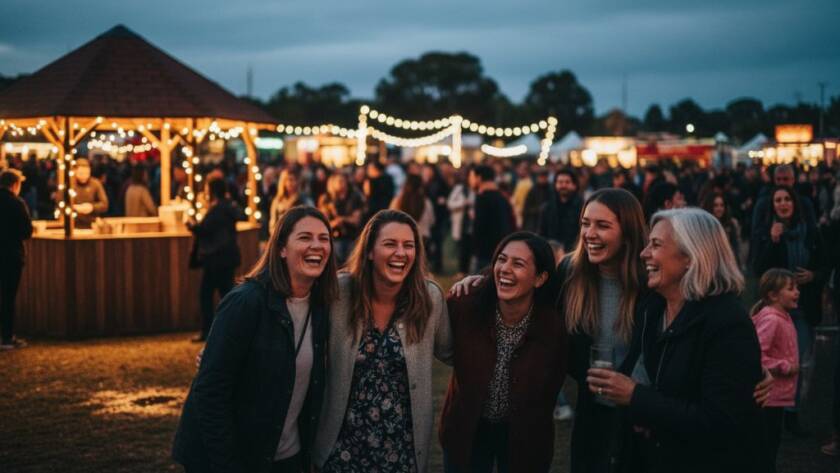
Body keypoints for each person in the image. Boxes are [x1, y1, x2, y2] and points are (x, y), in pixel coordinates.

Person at [450, 188, 651, 472]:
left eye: (602, 225)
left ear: (628, 230)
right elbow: (530, 276)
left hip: (641, 409)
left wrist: (642, 397)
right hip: (591, 406)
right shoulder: (572, 270)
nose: (589, 233)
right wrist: (482, 281)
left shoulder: (649, 279)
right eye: (585, 223)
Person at [588, 208, 768, 473]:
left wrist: (636, 397)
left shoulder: (727, 323)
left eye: (656, 244)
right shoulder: (653, 309)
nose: (644, 253)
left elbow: (719, 421)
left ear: (690, 257)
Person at [173, 206, 338, 473]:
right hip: (235, 457)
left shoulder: (323, 307)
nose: (316, 246)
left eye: (324, 238)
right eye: (305, 237)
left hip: (288, 457)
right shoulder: (246, 302)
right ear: (282, 248)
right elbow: (209, 393)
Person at [313, 210, 453, 473]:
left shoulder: (429, 298)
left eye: (408, 245)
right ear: (369, 252)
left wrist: (480, 288)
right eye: (390, 244)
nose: (401, 253)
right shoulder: (338, 294)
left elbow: (454, 352)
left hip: (402, 451)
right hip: (341, 450)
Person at [441, 231, 566, 472]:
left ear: (540, 279)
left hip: (524, 434)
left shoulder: (554, 327)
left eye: (518, 263)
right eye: (501, 259)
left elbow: (553, 385)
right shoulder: (464, 305)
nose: (505, 269)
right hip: (468, 429)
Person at [752, 185, 826, 436]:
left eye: (787, 199)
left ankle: (791, 413)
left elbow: (825, 264)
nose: (782, 204)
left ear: (795, 203)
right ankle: (773, 407)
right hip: (776, 307)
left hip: (802, 306)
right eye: (777, 200)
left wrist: (814, 276)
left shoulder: (811, 233)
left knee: (799, 359)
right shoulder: (767, 232)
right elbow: (758, 267)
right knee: (775, 357)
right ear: (772, 205)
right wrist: (773, 240)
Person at [750, 268, 800, 473]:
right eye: (791, 288)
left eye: (796, 287)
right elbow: (757, 356)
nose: (797, 292)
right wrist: (785, 366)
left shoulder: (784, 316)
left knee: (771, 445)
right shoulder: (772, 319)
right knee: (766, 448)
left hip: (777, 397)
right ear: (773, 295)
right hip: (769, 397)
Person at [188, 177, 242, 342]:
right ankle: (234, 330)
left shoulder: (217, 209)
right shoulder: (228, 207)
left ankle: (208, 331)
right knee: (227, 295)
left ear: (212, 191)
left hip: (215, 260)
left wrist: (191, 226)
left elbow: (205, 230)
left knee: (207, 295)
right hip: (226, 258)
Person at [0, 169, 33, 350]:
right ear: (15, 184)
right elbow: (27, 231)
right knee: (8, 297)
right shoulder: (16, 203)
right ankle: (6, 338)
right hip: (11, 255)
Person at [471, 165, 514, 270]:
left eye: (472, 177)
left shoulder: (482, 198)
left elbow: (479, 227)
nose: (470, 181)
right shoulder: (502, 198)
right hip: (501, 248)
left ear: (479, 178)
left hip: (484, 251)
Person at [317, 173, 364, 265]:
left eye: (343, 180)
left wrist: (342, 219)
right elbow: (322, 223)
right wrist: (335, 223)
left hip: (352, 236)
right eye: (339, 181)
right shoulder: (326, 199)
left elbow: (356, 220)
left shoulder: (354, 197)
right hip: (334, 238)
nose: (342, 183)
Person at [538, 168, 583, 252]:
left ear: (574, 185)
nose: (563, 185)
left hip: (574, 254)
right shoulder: (547, 208)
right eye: (560, 182)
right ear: (555, 185)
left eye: (567, 182)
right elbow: (542, 234)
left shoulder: (582, 208)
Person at [391, 173, 435, 243]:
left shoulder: (397, 201)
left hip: (401, 237)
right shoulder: (426, 202)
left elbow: (390, 219)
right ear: (420, 186)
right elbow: (432, 221)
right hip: (422, 238)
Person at [701, 191, 741, 267]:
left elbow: (735, 249)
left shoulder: (730, 225)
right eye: (715, 205)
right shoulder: (704, 226)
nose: (719, 208)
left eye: (722, 205)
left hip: (728, 265)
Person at [447, 173, 474, 277]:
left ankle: (467, 270)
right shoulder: (459, 189)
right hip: (461, 222)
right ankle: (461, 271)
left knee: (469, 247)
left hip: (471, 223)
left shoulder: (475, 190)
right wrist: (463, 203)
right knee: (462, 247)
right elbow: (450, 203)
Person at [69, 158, 109, 228]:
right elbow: (60, 203)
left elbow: (104, 204)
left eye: (87, 173)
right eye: (81, 173)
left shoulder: (95, 183)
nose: (84, 176)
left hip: (92, 223)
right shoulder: (70, 184)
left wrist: (92, 207)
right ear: (75, 171)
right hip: (73, 223)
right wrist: (74, 207)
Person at [521, 168, 551, 233]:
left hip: (546, 222)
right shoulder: (533, 190)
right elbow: (526, 208)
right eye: (541, 177)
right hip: (533, 222)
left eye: (544, 177)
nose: (543, 179)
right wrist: (537, 209)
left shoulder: (551, 189)